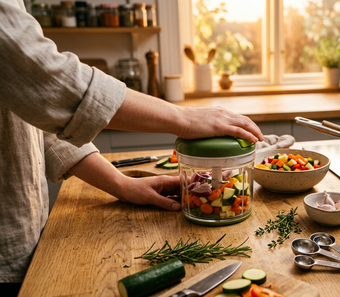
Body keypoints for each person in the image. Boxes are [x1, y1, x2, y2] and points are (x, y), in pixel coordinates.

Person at [0, 0, 264, 295]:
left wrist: (122, 185)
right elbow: (48, 82)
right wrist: (183, 118)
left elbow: (33, 119)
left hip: (26, 233)